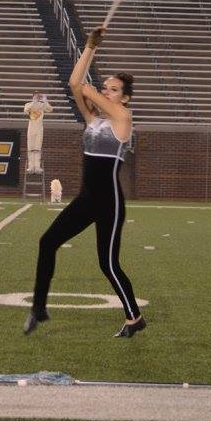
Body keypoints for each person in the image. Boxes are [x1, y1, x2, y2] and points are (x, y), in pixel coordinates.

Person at [25, 26, 144, 338]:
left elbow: (85, 89)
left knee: (108, 264)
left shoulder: (124, 119)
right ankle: (38, 307)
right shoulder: (94, 120)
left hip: (109, 203)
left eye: (113, 89)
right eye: (106, 87)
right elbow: (75, 84)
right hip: (86, 199)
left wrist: (91, 85)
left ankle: (134, 317)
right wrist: (90, 47)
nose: (107, 91)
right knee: (47, 242)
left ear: (125, 98)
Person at [23, 93, 52, 173]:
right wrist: (34, 102)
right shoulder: (28, 104)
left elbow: (50, 109)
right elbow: (26, 110)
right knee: (30, 148)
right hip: (31, 129)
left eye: (38, 96)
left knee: (38, 148)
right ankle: (31, 167)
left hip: (39, 129)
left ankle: (37, 166)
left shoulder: (42, 105)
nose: (37, 97)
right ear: (33, 97)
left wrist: (45, 100)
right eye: (36, 96)